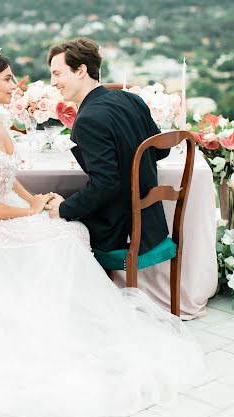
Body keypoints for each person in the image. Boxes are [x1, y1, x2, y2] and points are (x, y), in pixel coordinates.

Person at [0, 50, 203, 417]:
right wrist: (34, 209)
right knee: (64, 235)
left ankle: (58, 324)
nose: (18, 84)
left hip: (8, 210)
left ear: (81, 70)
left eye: (55, 73)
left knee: (67, 232)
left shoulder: (3, 116)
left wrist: (34, 202)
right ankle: (41, 326)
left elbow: (9, 176)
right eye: (7, 79)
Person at [46, 38, 170, 260]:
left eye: (57, 73)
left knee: (45, 226)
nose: (52, 82)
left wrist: (63, 209)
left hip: (118, 230)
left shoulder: (88, 119)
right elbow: (162, 150)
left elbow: (106, 184)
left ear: (80, 70)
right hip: (151, 225)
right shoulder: (131, 99)